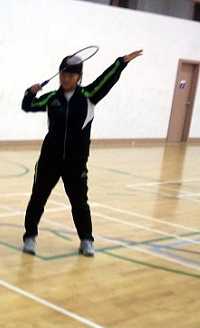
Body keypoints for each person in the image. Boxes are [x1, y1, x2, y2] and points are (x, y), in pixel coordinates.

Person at [21, 49, 143, 257]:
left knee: (79, 203)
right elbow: (28, 105)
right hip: (49, 158)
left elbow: (106, 80)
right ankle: (30, 237)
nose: (66, 78)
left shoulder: (89, 95)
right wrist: (30, 92)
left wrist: (121, 63)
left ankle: (86, 240)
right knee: (37, 198)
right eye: (63, 73)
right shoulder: (51, 98)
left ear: (79, 77)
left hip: (76, 161)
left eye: (71, 75)